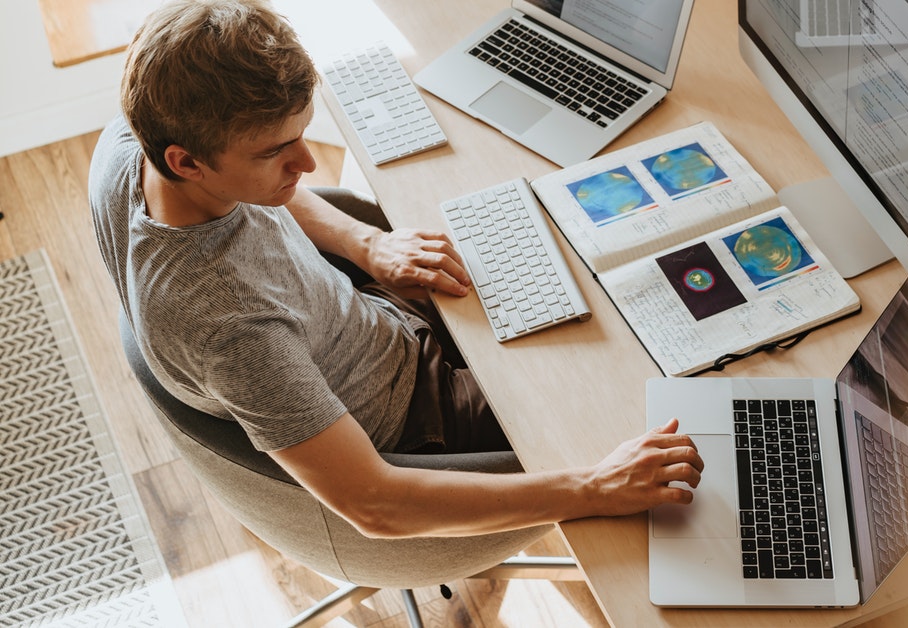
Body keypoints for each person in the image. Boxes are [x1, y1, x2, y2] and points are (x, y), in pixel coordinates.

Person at [89, 0, 702, 539]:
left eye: (302, 134)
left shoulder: (135, 139)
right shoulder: (226, 326)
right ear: (186, 161)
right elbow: (376, 504)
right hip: (415, 423)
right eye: (277, 152)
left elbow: (263, 187)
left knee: (584, 269)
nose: (307, 162)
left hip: (368, 320)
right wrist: (595, 488)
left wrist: (365, 245)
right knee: (652, 409)